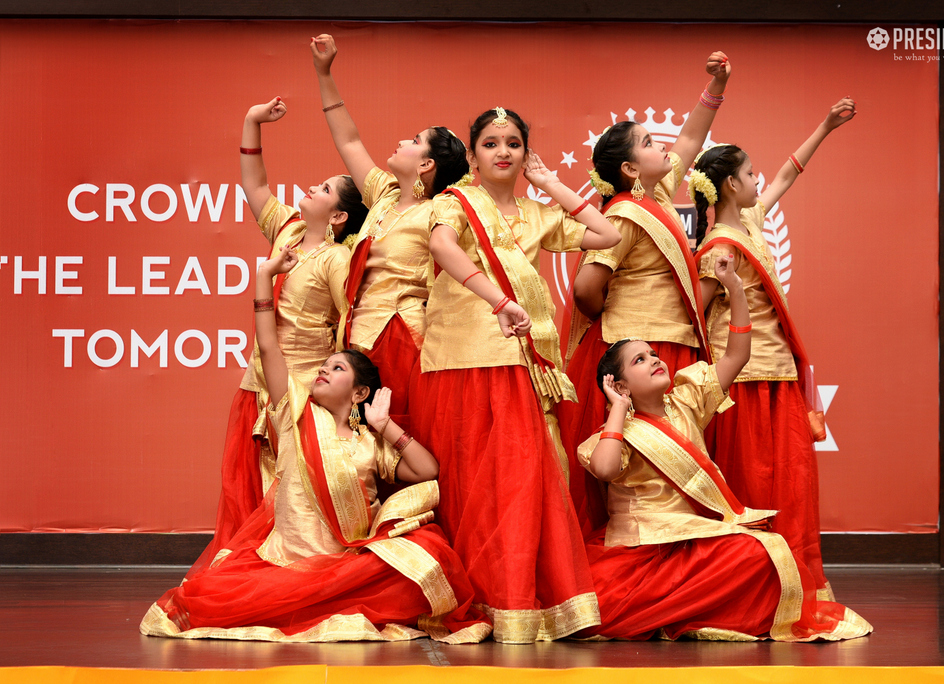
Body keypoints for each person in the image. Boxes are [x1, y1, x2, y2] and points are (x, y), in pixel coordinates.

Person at [141, 247, 490, 644]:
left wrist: (386, 425)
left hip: (346, 566)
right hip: (288, 566)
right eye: (323, 367)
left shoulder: (368, 441)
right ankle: (314, 600)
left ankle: (331, 597)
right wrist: (264, 276)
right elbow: (270, 348)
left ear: (360, 392)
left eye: (336, 368)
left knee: (431, 552)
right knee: (216, 599)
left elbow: (427, 471)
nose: (323, 371)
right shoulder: (295, 415)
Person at [575, 254, 871, 641]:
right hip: (640, 553)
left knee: (762, 553)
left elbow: (737, 355)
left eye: (654, 354)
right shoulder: (619, 432)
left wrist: (734, 288)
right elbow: (605, 469)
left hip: (691, 543)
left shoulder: (687, 400)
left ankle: (681, 611)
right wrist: (617, 408)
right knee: (601, 604)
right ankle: (675, 610)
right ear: (621, 384)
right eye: (640, 360)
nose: (654, 360)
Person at [412, 107, 620, 642]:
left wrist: (551, 184)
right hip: (461, 355)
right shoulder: (453, 203)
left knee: (521, 478)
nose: (502, 151)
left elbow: (606, 234)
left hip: (518, 358)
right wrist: (498, 300)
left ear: (526, 154)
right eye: (490, 143)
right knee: (467, 483)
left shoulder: (539, 213)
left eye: (513, 143)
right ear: (474, 156)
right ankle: (472, 596)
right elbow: (441, 246)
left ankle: (516, 602)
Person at [190, 96, 370, 577]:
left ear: (337, 218)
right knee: (247, 484)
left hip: (299, 392)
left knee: (285, 485)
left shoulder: (337, 260)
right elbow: (255, 183)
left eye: (326, 188)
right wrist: (252, 121)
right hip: (258, 383)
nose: (313, 187)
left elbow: (348, 324)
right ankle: (245, 568)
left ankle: (285, 570)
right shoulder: (287, 230)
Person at [693, 97, 857, 600]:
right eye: (749, 173)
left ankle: (791, 588)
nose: (759, 179)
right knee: (752, 487)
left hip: (779, 378)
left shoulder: (752, 223)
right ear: (729, 186)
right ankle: (752, 590)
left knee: (791, 489)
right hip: (741, 384)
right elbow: (696, 320)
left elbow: (788, 173)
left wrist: (825, 125)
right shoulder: (719, 246)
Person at [560, 52, 730, 529]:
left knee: (679, 467)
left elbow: (692, 137)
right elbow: (586, 289)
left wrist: (716, 85)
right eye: (651, 143)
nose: (665, 149)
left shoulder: (655, 196)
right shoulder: (622, 215)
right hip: (640, 349)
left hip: (673, 343)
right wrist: (622, 327)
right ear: (631, 170)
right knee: (642, 470)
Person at [310, 34, 472, 427]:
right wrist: (324, 72)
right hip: (354, 336)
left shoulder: (442, 210)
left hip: (401, 337)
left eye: (415, 141)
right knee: (350, 436)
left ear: (426, 165)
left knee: (394, 433)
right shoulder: (382, 195)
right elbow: (347, 139)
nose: (402, 141)